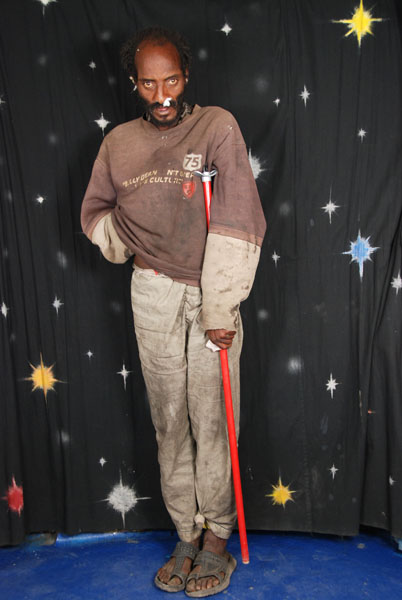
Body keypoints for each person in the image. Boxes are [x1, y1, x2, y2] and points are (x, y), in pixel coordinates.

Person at [81, 26, 266, 597]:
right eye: (148, 84)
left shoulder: (216, 126)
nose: (162, 96)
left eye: (171, 81)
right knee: (169, 420)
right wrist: (128, 239)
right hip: (152, 292)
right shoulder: (119, 143)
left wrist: (221, 307)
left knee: (213, 419)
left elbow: (237, 218)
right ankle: (186, 533)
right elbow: (95, 213)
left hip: (210, 293)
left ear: (186, 76)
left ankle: (217, 537)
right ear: (134, 83)